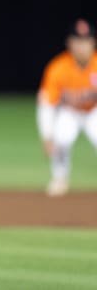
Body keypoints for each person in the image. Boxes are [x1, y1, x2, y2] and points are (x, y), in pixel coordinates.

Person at [37, 18, 97, 197]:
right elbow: (46, 104)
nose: (82, 46)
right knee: (61, 139)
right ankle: (60, 179)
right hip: (69, 112)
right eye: (77, 41)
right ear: (69, 43)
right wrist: (47, 136)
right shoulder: (58, 67)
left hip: (94, 111)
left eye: (86, 41)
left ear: (93, 43)